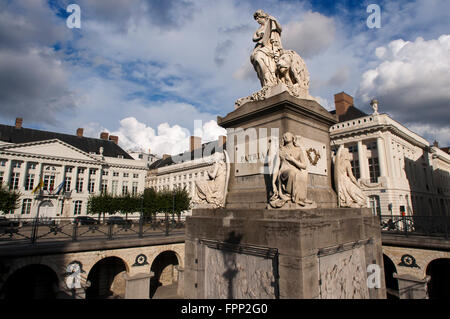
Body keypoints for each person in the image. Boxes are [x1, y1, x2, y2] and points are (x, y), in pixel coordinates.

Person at [269, 133, 314, 208]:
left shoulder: (298, 150)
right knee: (292, 173)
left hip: (297, 172)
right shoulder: (281, 150)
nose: (285, 136)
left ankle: (301, 198)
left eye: (288, 135)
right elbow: (276, 166)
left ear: (293, 138)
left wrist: (292, 160)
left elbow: (304, 166)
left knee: (300, 175)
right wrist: (273, 182)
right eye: (284, 136)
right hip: (284, 172)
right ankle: (288, 195)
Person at [250, 10, 283, 87]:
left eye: (258, 18)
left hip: (269, 47)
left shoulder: (270, 23)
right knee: (256, 60)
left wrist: (275, 20)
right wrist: (260, 37)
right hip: (259, 47)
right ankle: (265, 80)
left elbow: (280, 29)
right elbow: (253, 38)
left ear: (263, 17)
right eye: (256, 19)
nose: (257, 20)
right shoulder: (259, 29)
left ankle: (270, 79)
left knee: (259, 57)